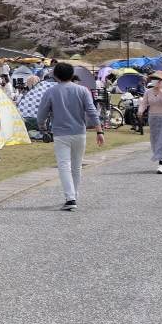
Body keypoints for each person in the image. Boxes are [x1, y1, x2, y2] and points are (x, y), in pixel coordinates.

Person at [37, 61, 103, 211]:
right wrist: (99, 131)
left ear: (55, 76)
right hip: (80, 132)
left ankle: (70, 197)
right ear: (72, 74)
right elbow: (92, 111)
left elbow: (41, 114)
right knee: (76, 166)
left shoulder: (51, 92)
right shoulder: (83, 90)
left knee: (64, 166)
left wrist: (42, 128)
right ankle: (74, 195)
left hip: (61, 134)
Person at [136, 74, 162, 173]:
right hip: (153, 118)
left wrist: (161, 90)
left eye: (158, 80)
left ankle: (161, 164)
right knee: (155, 141)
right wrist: (140, 111)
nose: (156, 81)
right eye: (154, 79)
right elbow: (144, 103)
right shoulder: (148, 91)